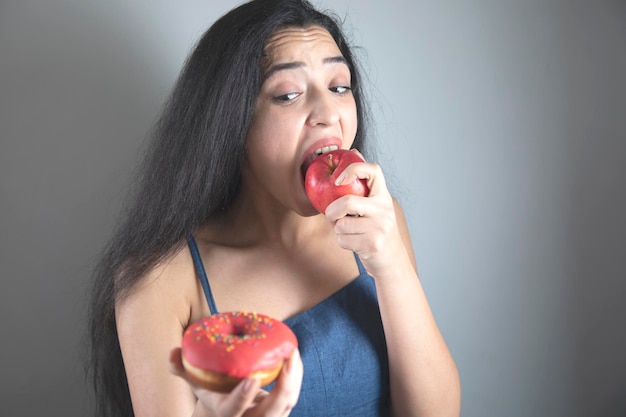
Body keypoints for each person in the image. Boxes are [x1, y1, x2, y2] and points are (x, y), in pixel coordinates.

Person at [88, 0, 461, 416]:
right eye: (287, 94)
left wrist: (391, 265)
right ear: (232, 122)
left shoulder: (377, 226)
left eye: (339, 87)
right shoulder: (157, 282)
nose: (328, 113)